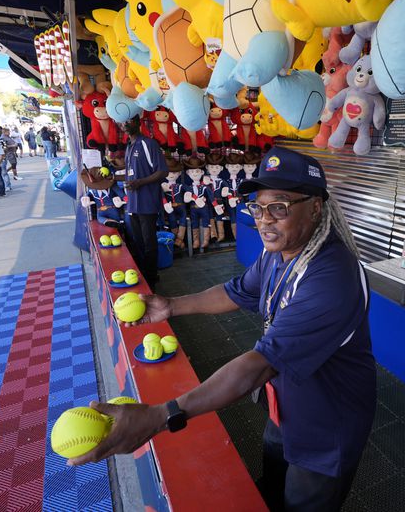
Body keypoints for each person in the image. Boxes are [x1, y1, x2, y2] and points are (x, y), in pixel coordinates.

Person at [70, 148, 375, 512]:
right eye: (257, 207)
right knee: (272, 486)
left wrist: (160, 416)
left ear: (314, 207)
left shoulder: (332, 277)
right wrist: (172, 305)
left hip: (327, 423)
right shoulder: (278, 252)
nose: (264, 220)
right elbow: (238, 292)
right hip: (287, 402)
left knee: (301, 504)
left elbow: (260, 363)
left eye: (279, 206)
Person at [122, 117, 167, 288]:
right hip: (133, 204)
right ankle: (143, 276)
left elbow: (162, 171)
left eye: (127, 121)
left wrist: (140, 182)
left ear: (137, 122)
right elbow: (130, 175)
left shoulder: (148, 144)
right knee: (138, 242)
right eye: (121, 123)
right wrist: (111, 178)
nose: (124, 125)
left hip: (147, 203)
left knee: (149, 243)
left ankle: (151, 278)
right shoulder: (129, 146)